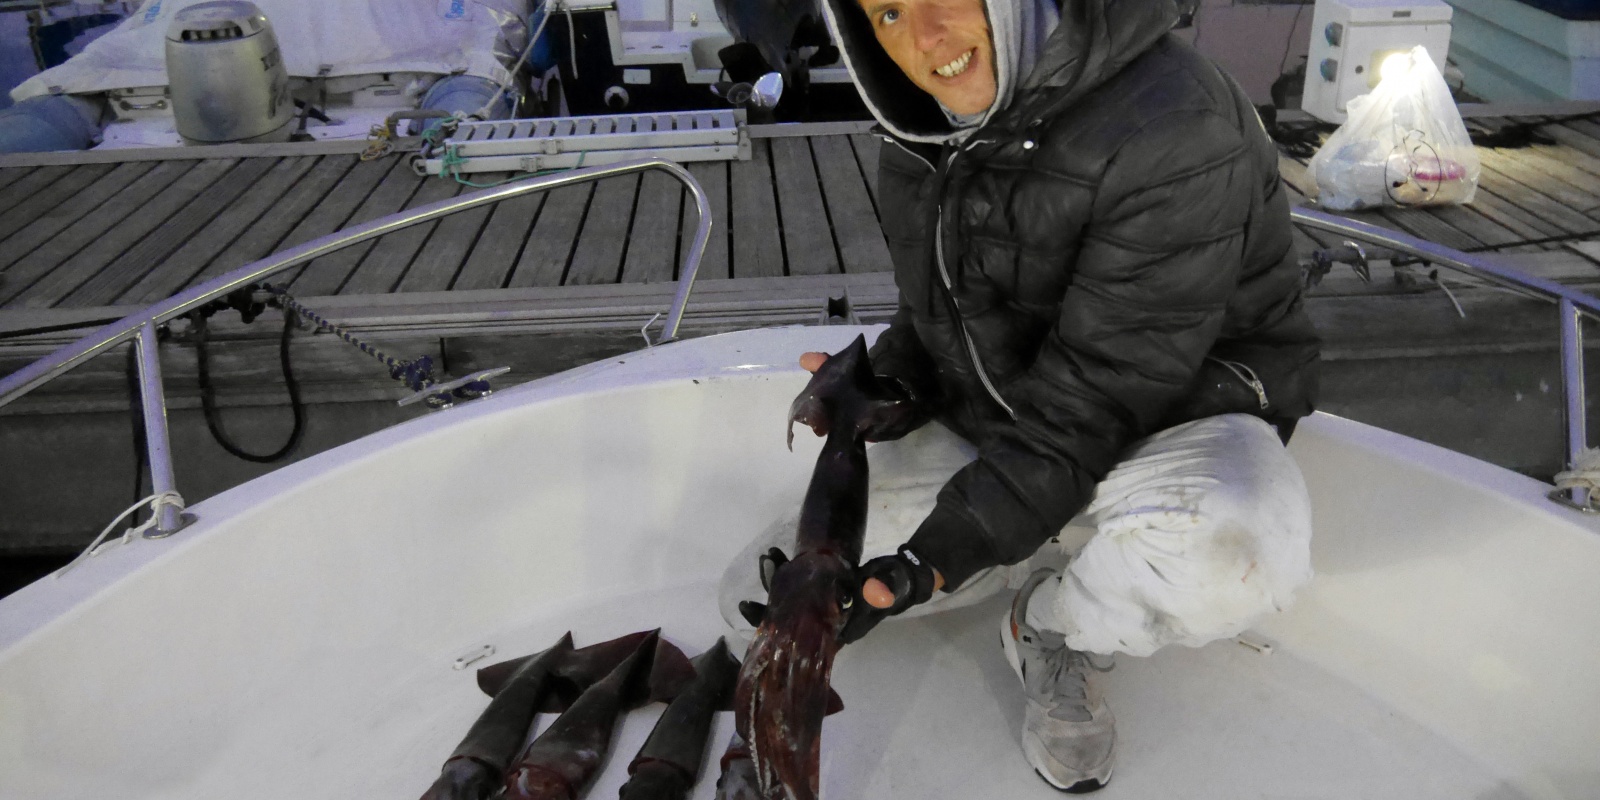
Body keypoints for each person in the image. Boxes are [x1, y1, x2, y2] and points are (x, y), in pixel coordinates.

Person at [725, 0, 1321, 792]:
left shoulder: (1176, 127)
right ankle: (1024, 540)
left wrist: (927, 565)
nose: (923, 39)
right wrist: (893, 378)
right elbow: (955, 305)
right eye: (888, 10)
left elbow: (1093, 405)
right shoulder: (924, 122)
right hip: (1015, 416)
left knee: (1239, 556)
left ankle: (1049, 623)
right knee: (754, 593)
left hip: (1174, 417)